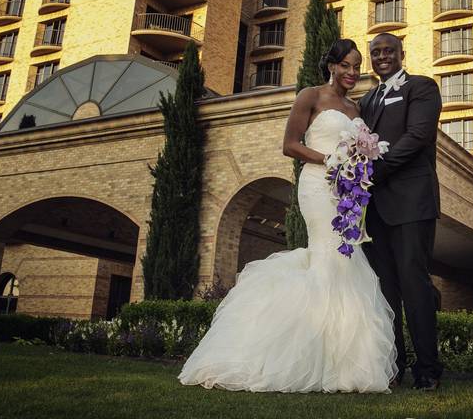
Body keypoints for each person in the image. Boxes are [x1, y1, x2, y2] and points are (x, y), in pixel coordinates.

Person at [178, 39, 397, 393]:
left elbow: (361, 149)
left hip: (347, 194)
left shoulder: (357, 110)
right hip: (317, 186)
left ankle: (344, 365)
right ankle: (301, 359)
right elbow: (290, 145)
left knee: (347, 260)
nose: (353, 73)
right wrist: (331, 161)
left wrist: (357, 165)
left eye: (357, 67)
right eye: (347, 66)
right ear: (332, 66)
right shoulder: (311, 96)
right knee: (328, 258)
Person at [358, 32, 443, 391]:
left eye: (388, 50)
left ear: (401, 53)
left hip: (412, 202)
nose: (381, 56)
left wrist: (374, 170)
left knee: (414, 285)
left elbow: (418, 136)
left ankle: (428, 369)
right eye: (375, 53)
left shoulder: (421, 87)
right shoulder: (364, 99)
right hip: (375, 208)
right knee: (385, 291)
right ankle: (394, 365)